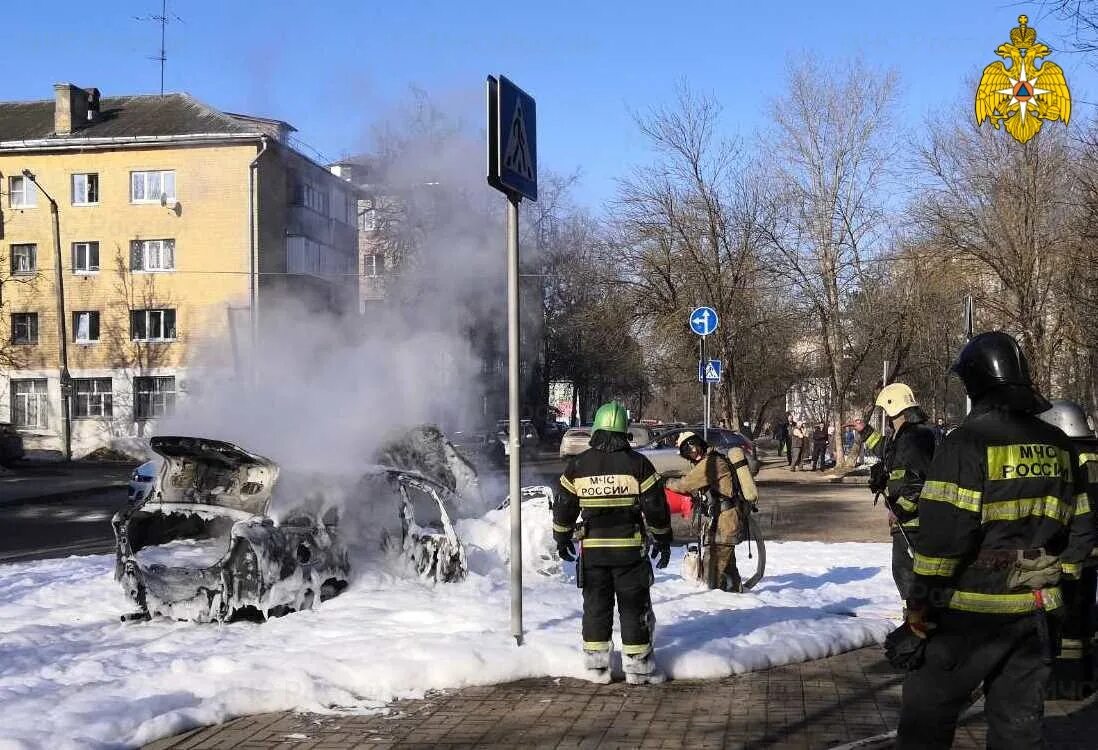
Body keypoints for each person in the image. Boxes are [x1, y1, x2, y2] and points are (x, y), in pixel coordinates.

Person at [891, 332, 1095, 748]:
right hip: (1036, 614)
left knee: (925, 716)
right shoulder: (1058, 444)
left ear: (976, 383)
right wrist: (1064, 579)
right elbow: (1084, 522)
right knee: (1017, 728)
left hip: (970, 616)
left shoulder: (966, 443)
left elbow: (944, 539)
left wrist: (919, 605)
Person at [554, 401, 672, 685]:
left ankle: (597, 668)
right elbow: (656, 505)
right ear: (623, 431)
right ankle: (638, 669)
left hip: (594, 551)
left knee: (596, 607)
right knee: (633, 607)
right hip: (629, 551)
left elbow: (564, 506)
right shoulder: (638, 464)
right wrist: (663, 538)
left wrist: (561, 537)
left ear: (596, 428)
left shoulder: (578, 465)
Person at [1037, 399, 1098, 700]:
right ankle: (1084, 680)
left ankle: (1065, 685)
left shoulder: (1072, 458)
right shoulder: (1094, 454)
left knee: (1067, 621)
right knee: (1085, 621)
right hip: (1090, 547)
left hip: (1075, 549)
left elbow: (1075, 508)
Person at [854, 383, 937, 599]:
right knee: (909, 575)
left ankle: (916, 622)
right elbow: (886, 450)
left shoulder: (913, 439)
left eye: (886, 413)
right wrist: (865, 431)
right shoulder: (906, 435)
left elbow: (918, 482)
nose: (887, 419)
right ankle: (917, 619)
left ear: (894, 409)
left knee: (909, 576)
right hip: (913, 522)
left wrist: (899, 510)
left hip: (913, 523)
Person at [666, 431, 758, 592]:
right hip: (723, 520)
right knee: (728, 569)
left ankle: (716, 602)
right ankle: (737, 599)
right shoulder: (713, 460)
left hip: (725, 522)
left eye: (692, 448)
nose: (692, 453)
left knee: (712, 573)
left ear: (699, 444)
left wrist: (666, 481)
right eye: (687, 453)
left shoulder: (712, 463)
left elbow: (685, 484)